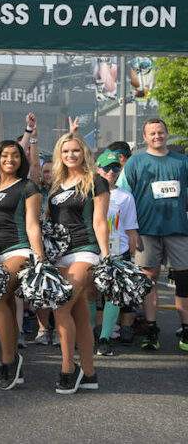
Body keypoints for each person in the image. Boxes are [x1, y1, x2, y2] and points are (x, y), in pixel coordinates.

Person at [117, 119, 188, 352]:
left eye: (160, 132)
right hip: (146, 231)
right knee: (148, 280)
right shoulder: (135, 162)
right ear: (145, 137)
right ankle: (151, 328)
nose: (157, 136)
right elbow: (123, 198)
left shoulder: (182, 161)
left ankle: (186, 329)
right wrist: (130, 231)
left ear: (167, 134)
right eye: (152, 133)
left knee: (184, 280)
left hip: (178, 229)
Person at [47, 133, 109, 394]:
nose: (71, 155)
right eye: (65, 151)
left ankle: (67, 369)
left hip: (85, 250)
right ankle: (90, 373)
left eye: (75, 150)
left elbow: (100, 221)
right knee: (79, 315)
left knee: (60, 308)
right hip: (61, 254)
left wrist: (105, 256)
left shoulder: (95, 181)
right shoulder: (56, 183)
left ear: (84, 152)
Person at [0, 140, 44, 389]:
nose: (10, 159)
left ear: (22, 159)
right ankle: (9, 362)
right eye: (5, 155)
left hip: (19, 249)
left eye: (15, 155)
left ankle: (11, 361)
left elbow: (32, 224)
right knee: (2, 304)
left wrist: (39, 257)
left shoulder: (28, 187)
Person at [94, 150, 139, 356]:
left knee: (113, 294)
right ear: (98, 169)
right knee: (91, 293)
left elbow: (130, 229)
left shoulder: (126, 196)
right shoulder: (89, 191)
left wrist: (131, 257)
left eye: (115, 168)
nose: (111, 172)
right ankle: (88, 333)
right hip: (93, 250)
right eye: (106, 168)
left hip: (117, 252)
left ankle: (104, 337)